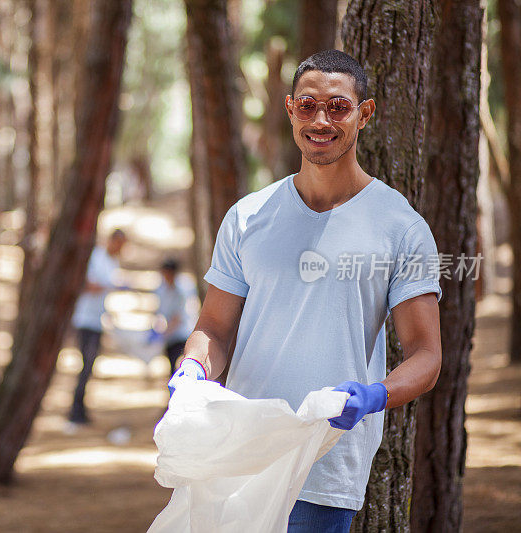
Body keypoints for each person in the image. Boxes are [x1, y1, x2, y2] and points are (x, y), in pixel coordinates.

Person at [167, 50, 442, 532]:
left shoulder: (400, 227)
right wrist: (192, 368)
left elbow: (426, 355)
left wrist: (374, 395)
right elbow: (213, 329)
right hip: (239, 456)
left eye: (338, 107)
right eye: (309, 105)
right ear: (291, 108)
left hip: (326, 465)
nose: (321, 119)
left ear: (365, 114)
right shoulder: (248, 217)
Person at [68, 229, 127, 424]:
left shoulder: (113, 263)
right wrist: (111, 286)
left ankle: (81, 410)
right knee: (85, 365)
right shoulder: (96, 257)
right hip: (85, 319)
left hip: (98, 320)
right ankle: (75, 412)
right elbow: (87, 284)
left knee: (90, 366)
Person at [152, 258, 195, 375]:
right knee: (172, 368)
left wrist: (163, 333)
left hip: (182, 335)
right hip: (170, 337)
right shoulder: (162, 289)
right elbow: (160, 312)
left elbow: (178, 317)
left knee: (180, 368)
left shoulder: (183, 289)